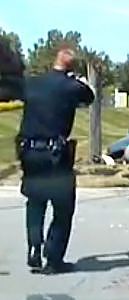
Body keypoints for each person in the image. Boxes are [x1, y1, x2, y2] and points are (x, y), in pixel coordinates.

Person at [15, 45, 95, 274]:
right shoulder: (72, 86)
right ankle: (53, 259)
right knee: (63, 207)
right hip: (55, 155)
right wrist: (75, 78)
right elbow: (89, 96)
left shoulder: (32, 83)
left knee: (35, 201)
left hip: (29, 152)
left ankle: (34, 248)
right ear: (71, 67)